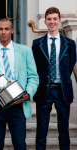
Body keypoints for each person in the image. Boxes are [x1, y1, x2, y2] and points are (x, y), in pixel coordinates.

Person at [0, 18, 39, 150]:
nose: (3, 32)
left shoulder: (25, 51)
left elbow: (34, 77)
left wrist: (28, 94)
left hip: (18, 104)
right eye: (0, 29)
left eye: (6, 29)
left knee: (19, 145)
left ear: (12, 30)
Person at [32, 7, 76, 150]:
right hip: (44, 91)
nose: (52, 22)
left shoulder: (69, 44)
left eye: (55, 19)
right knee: (41, 131)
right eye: (49, 19)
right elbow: (35, 67)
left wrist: (62, 80)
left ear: (59, 21)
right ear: (45, 21)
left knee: (63, 131)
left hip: (62, 91)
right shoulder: (37, 44)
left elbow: (70, 65)